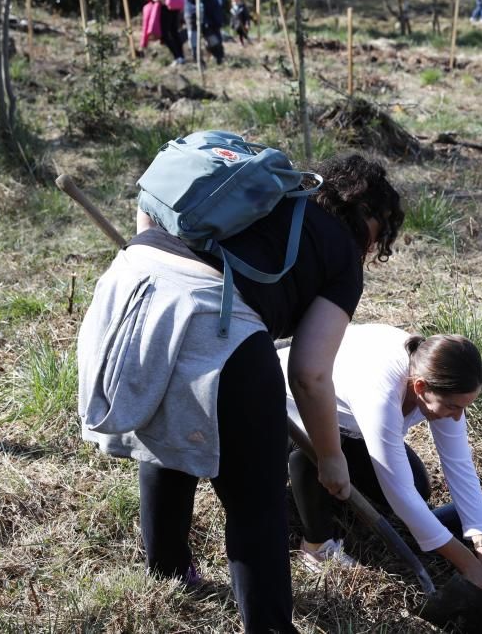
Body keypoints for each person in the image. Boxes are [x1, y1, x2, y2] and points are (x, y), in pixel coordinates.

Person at [77, 152, 404, 633]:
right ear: (372, 222)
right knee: (257, 501)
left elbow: (152, 212)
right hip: (213, 318)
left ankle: (169, 572)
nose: (373, 251)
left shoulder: (258, 198)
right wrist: (332, 458)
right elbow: (311, 374)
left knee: (166, 441)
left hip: (130, 290)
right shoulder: (341, 254)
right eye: (380, 240)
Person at [283, 325, 482, 606]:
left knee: (419, 487)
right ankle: (316, 545)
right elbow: (400, 492)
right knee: (314, 454)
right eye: (453, 407)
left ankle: (340, 502)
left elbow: (460, 465)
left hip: (347, 426)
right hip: (284, 414)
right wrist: (469, 566)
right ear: (420, 388)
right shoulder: (381, 391)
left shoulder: (435, 376)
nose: (458, 417)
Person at [182, 0, 226, 64]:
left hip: (205, 8)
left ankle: (219, 56)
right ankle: (198, 59)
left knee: (209, 33)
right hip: (190, 10)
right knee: (193, 35)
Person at [153, 0, 186, 66]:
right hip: (175, 2)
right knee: (174, 31)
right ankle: (181, 56)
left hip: (166, 3)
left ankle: (177, 56)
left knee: (165, 33)